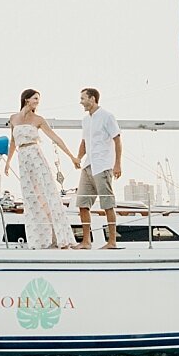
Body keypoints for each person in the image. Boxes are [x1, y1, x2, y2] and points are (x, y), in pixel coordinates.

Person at [5, 88, 80, 250]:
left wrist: (72, 156)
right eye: (36, 99)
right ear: (27, 100)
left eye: (38, 99)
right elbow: (12, 141)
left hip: (35, 155)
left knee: (47, 193)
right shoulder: (13, 118)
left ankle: (61, 237)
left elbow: (55, 138)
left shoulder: (38, 119)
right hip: (22, 158)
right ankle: (40, 239)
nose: (38, 102)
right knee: (31, 197)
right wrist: (8, 161)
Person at [74, 86, 122, 249]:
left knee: (107, 204)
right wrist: (78, 157)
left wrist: (117, 165)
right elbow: (84, 142)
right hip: (88, 166)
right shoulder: (85, 120)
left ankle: (112, 242)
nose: (81, 102)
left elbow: (117, 140)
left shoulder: (107, 116)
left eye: (83, 98)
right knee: (82, 204)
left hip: (103, 165)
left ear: (92, 98)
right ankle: (86, 242)